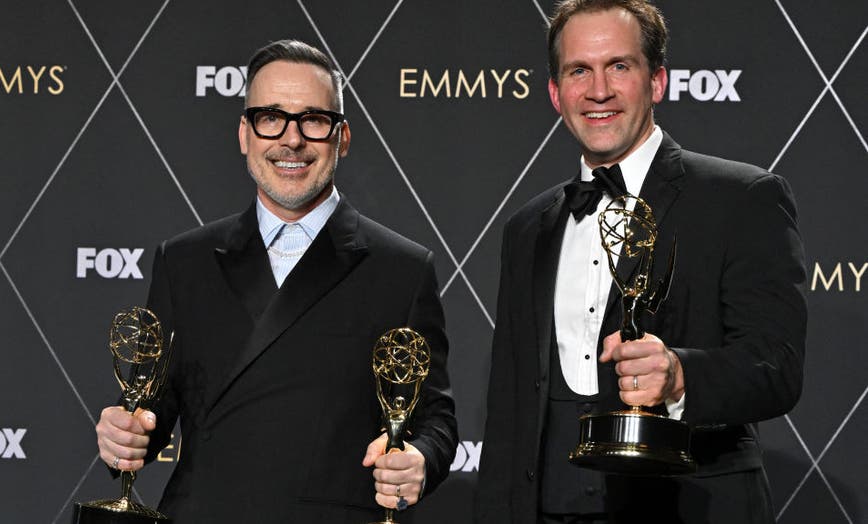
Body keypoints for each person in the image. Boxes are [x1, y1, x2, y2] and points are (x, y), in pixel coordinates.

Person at [94, 39, 457, 523]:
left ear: (342, 137)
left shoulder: (402, 269)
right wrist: (124, 432)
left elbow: (434, 418)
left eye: (313, 120)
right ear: (245, 134)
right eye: (271, 117)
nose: (291, 139)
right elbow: (150, 406)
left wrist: (420, 462)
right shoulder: (183, 261)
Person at [475, 1, 806, 523]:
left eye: (620, 67)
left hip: (684, 506)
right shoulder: (527, 228)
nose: (599, 90)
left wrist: (679, 375)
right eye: (579, 70)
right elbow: (509, 408)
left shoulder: (741, 198)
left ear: (656, 82)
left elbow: (776, 368)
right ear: (556, 93)